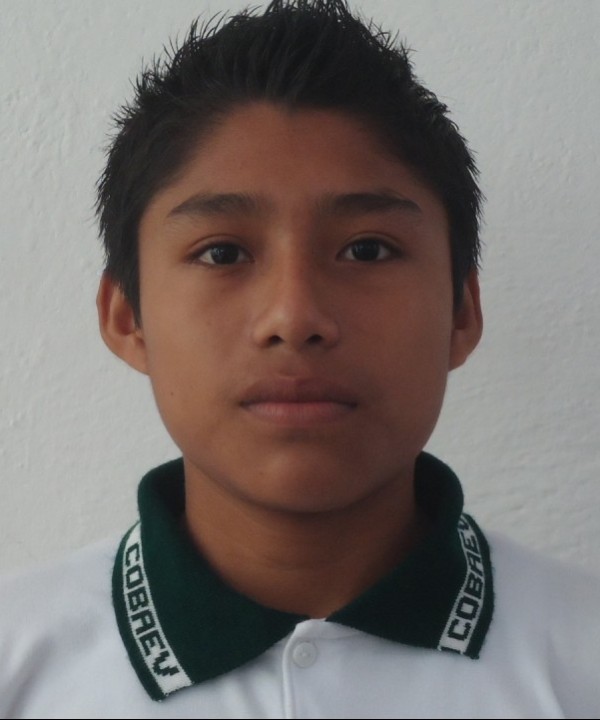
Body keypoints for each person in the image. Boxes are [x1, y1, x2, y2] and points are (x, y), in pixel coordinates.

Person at [1, 0, 598, 717]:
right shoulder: (20, 663)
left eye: (367, 250)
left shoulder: (581, 658)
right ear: (128, 317)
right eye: (222, 253)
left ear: (461, 312)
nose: (295, 317)